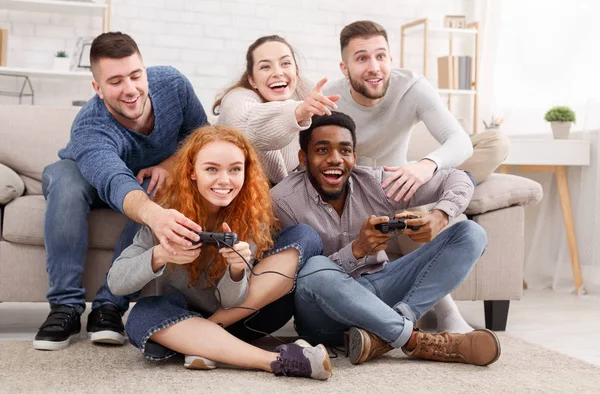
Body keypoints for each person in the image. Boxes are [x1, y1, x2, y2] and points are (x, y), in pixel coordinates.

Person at [271, 112, 501, 366]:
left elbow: (458, 177)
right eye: (322, 150)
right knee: (313, 268)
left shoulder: (375, 182)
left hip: (380, 287)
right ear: (303, 157)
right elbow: (291, 277)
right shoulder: (282, 200)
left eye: (345, 151)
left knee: (470, 233)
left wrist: (440, 216)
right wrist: (357, 249)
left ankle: (386, 332)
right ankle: (414, 340)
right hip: (323, 315)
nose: (335, 159)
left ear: (354, 157)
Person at [323, 20, 510, 333]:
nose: (374, 67)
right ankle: (448, 313)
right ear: (345, 68)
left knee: (496, 142)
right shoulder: (330, 100)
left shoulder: (410, 86)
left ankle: (450, 188)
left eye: (381, 56)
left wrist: (427, 165)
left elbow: (458, 140)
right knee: (411, 204)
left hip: (410, 178)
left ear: (391, 60)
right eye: (362, 58)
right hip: (364, 192)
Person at [107, 125, 332, 380]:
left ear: (246, 172)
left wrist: (237, 270)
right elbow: (116, 283)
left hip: (243, 318)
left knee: (306, 236)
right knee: (142, 315)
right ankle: (279, 360)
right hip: (182, 319)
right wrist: (160, 254)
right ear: (192, 172)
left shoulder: (251, 215)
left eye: (235, 169)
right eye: (211, 169)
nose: (224, 180)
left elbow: (232, 302)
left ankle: (206, 340)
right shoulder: (166, 217)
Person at [34, 32, 209, 351]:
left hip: (142, 181)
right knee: (67, 181)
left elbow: (202, 137)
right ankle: (66, 307)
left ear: (145, 70)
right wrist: (157, 217)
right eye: (115, 81)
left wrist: (170, 164)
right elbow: (115, 180)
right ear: (97, 89)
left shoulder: (172, 84)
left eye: (135, 75)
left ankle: (109, 306)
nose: (130, 89)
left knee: (159, 186)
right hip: (85, 176)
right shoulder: (90, 126)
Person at [214, 35, 340, 185]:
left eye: (285, 63)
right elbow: (249, 126)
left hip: (281, 196)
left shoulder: (305, 94)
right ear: (252, 80)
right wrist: (298, 112)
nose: (278, 72)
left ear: (296, 72)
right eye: (265, 67)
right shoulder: (237, 99)